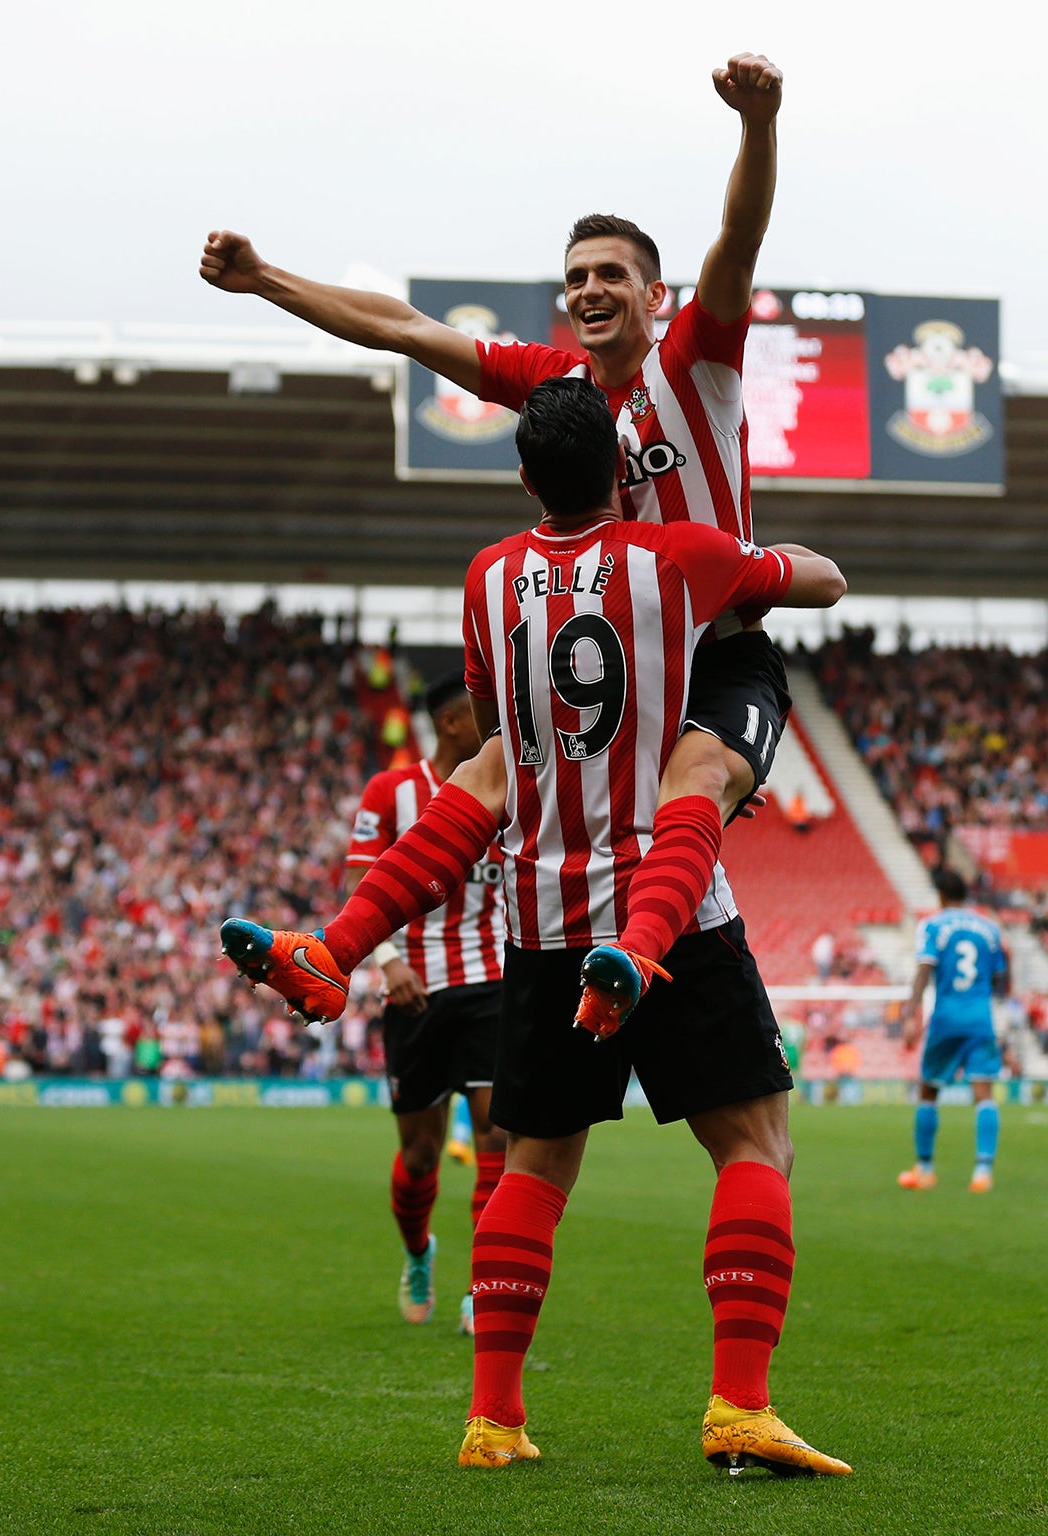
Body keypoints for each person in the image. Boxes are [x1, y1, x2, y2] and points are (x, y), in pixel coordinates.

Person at [224, 378, 851, 1473]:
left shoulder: (487, 576)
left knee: (534, 1168)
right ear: (623, 469)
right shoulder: (677, 558)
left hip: (538, 918)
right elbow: (819, 583)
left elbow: (491, 752)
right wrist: (763, 559)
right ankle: (737, 1406)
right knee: (755, 1145)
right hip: (667, 907)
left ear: (521, 479)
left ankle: (491, 1420)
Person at [200, 52, 792, 1035]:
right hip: (616, 659)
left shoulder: (697, 358)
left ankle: (633, 962)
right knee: (483, 772)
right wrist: (265, 280)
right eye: (575, 279)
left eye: (611, 275)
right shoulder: (557, 388)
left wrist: (758, 123)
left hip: (712, 657)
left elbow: (738, 235)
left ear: (656, 299)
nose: (589, 289)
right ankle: (328, 953)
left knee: (683, 777)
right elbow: (402, 329)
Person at [343, 670, 510, 1336]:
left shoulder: (514, 782)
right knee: (419, 1157)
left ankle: (483, 1286)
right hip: (413, 991)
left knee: (498, 1133)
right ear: (450, 722)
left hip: (493, 980)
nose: (496, 724)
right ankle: (419, 1253)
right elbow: (359, 877)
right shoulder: (392, 791)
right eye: (482, 714)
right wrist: (385, 961)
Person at [898, 870, 1010, 1194]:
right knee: (983, 1094)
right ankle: (982, 1172)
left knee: (929, 1091)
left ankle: (925, 1168)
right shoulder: (989, 929)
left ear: (942, 897)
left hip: (946, 1020)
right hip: (980, 1019)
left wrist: (909, 1016)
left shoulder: (933, 925)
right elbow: (1000, 977)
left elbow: (924, 971)